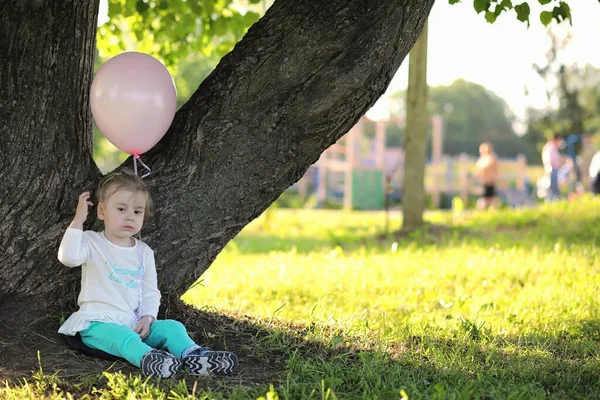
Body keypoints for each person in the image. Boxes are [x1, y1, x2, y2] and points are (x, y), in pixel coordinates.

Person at [57, 169, 239, 378]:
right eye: (121, 209)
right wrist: (78, 221)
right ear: (101, 211)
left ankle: (194, 356)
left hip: (133, 323)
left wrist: (148, 317)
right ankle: (149, 359)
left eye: (137, 211)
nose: (129, 217)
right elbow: (68, 257)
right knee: (124, 338)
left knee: (172, 327)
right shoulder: (92, 241)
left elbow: (150, 291)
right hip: (98, 324)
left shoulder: (143, 252)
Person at [474, 142, 499, 210]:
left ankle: (491, 211)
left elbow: (487, 167)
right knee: (486, 199)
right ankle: (484, 211)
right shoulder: (482, 159)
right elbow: (477, 170)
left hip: (489, 182)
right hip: (484, 182)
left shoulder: (490, 159)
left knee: (490, 199)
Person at [541, 134, 564, 200]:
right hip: (552, 170)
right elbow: (549, 160)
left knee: (554, 186)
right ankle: (552, 199)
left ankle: (555, 199)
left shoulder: (553, 148)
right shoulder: (550, 147)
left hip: (554, 169)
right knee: (552, 187)